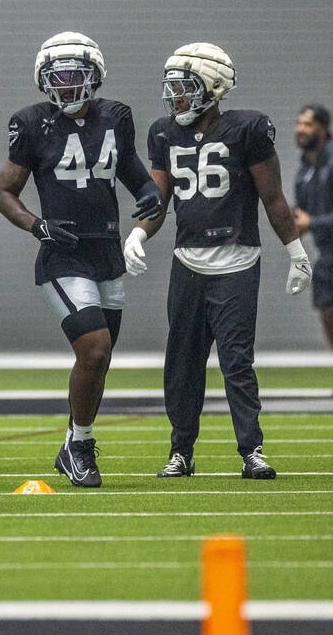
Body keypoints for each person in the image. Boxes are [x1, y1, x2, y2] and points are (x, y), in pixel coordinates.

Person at [124, 43, 312, 479]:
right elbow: (157, 199)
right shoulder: (163, 132)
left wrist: (296, 252)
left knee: (236, 363)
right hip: (186, 263)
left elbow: (272, 197)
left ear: (213, 87)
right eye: (171, 89)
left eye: (185, 89)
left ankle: (252, 450)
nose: (176, 99)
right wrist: (138, 232)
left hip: (237, 261)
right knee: (182, 363)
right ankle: (181, 451)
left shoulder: (247, 128)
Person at [0, 32, 161, 488]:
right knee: (95, 347)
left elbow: (128, 167)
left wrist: (147, 191)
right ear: (43, 81)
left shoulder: (116, 116)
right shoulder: (31, 122)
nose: (67, 88)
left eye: (76, 78)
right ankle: (82, 445)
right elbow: (4, 193)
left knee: (100, 360)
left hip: (106, 250)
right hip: (63, 253)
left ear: (96, 77)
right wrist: (37, 225)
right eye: (58, 79)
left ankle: (72, 441)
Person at [292, 104, 333, 397]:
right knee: (329, 315)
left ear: (323, 129)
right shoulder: (306, 167)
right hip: (329, 254)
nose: (300, 130)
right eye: (299, 124)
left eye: (307, 124)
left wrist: (312, 222)